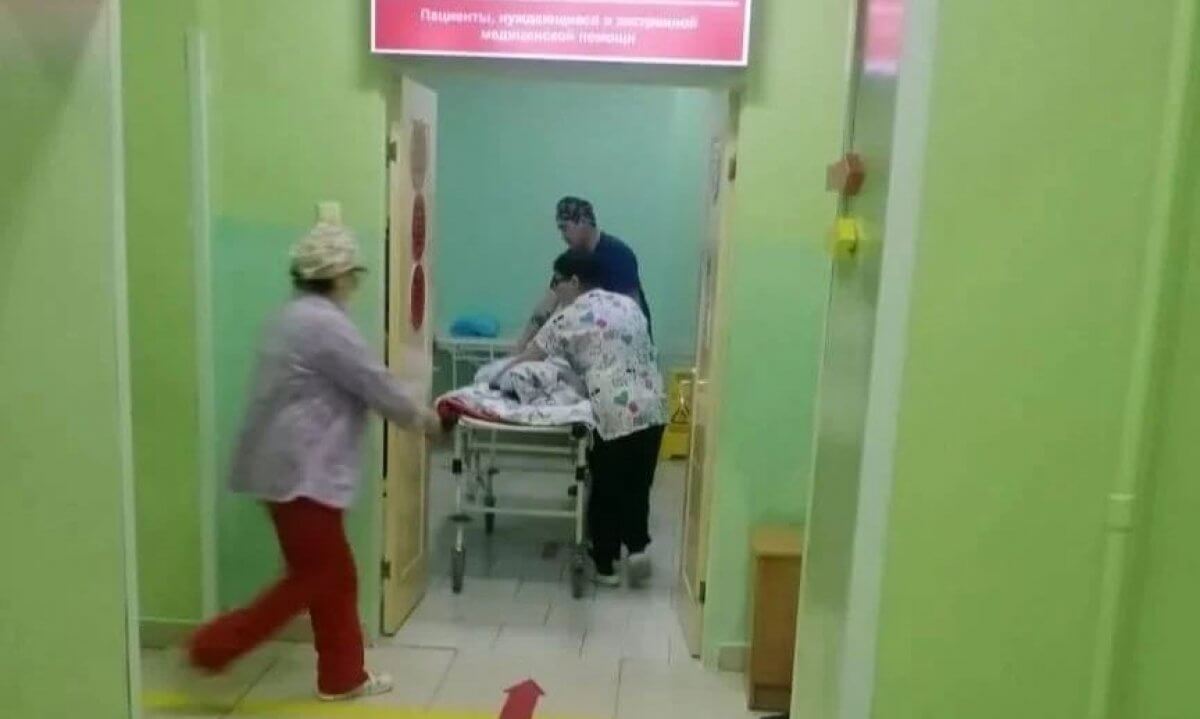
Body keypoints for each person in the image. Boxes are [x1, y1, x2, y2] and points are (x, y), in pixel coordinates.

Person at [187, 222, 443, 701]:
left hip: (283, 469)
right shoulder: (325, 325)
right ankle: (213, 647)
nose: (354, 286)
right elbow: (373, 383)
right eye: (353, 277)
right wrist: (425, 420)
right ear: (340, 276)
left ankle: (342, 676)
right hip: (301, 473)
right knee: (317, 576)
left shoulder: (288, 317)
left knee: (334, 577)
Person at [498, 250, 667, 587]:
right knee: (638, 482)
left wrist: (495, 376)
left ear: (574, 281)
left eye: (556, 282)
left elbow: (529, 357)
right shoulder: (628, 305)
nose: (554, 290)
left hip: (614, 411)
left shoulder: (568, 317)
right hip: (652, 404)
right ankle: (637, 548)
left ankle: (605, 565)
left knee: (606, 485)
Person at [516, 197, 652, 352]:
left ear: (583, 222)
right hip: (595, 348)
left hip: (625, 346)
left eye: (564, 228)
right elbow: (547, 304)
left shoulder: (618, 256)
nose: (562, 236)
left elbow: (632, 311)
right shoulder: (570, 260)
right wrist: (521, 344)